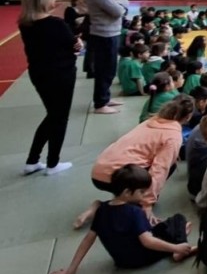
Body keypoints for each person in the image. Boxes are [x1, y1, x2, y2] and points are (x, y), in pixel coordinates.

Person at [50, 165, 194, 274]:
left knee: (163, 226)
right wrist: (175, 248)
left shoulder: (102, 210)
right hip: (143, 257)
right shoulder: (134, 211)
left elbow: (88, 240)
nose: (144, 196)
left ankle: (177, 238)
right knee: (178, 219)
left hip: (122, 261)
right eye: (141, 192)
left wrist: (71, 269)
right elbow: (147, 242)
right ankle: (181, 247)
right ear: (127, 192)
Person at [75, 95, 196, 228]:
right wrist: (147, 203)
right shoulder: (173, 136)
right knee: (170, 165)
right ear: (188, 116)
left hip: (98, 172)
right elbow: (160, 170)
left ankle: (106, 204)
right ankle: (105, 206)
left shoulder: (151, 121)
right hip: (118, 177)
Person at [19, 0, 79, 176]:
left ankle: (32, 160)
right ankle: (53, 163)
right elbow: (73, 45)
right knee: (60, 118)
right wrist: (78, 45)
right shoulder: (56, 24)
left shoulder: (26, 23)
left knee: (52, 116)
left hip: (39, 74)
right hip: (60, 75)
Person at [84, 0, 128, 114]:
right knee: (104, 68)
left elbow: (123, 0)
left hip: (112, 31)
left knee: (110, 68)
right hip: (103, 34)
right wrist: (121, 7)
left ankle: (105, 97)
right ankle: (100, 103)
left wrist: (121, 5)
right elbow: (116, 10)